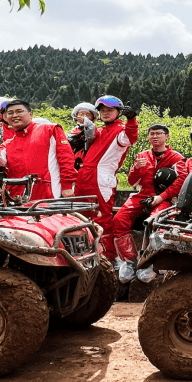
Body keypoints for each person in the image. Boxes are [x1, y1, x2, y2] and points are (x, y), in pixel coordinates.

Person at [74, 96, 140, 279]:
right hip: (83, 177)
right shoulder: (99, 130)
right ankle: (84, 258)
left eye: (110, 109)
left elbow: (131, 137)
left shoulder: (120, 131)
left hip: (100, 179)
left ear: (119, 111)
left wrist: (131, 119)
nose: (105, 112)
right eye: (102, 110)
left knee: (102, 220)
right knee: (80, 218)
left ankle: (108, 261)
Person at [106, 121, 182, 280]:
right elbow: (132, 182)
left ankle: (152, 263)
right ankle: (130, 261)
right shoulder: (142, 155)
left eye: (158, 133)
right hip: (143, 195)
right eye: (151, 134)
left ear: (166, 136)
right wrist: (135, 169)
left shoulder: (176, 158)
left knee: (158, 223)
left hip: (164, 197)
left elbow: (181, 181)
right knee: (119, 219)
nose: (154, 136)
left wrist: (161, 197)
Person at [0, 99, 76, 201]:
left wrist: (66, 186)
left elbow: (66, 158)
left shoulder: (49, 129)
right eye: (10, 113)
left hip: (48, 193)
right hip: (18, 197)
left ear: (30, 114)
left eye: (19, 111)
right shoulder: (8, 144)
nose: (14, 115)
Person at [68, 101, 98, 168]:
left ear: (93, 118)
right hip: (73, 158)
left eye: (87, 115)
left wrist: (85, 120)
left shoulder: (92, 128)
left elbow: (90, 133)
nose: (84, 116)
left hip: (85, 160)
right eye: (81, 114)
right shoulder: (75, 129)